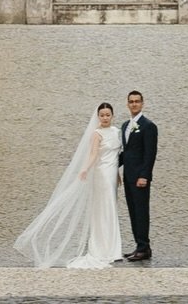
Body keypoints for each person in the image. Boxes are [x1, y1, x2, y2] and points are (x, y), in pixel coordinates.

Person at [13, 102, 125, 269]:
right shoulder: (96, 134)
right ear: (98, 117)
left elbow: (116, 156)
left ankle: (113, 249)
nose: (105, 118)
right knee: (103, 209)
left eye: (108, 115)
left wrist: (117, 175)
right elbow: (94, 154)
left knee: (111, 209)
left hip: (111, 175)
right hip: (101, 175)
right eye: (102, 115)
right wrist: (85, 169)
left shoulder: (117, 132)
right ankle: (102, 249)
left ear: (112, 115)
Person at [120, 89, 158, 262]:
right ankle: (140, 246)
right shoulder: (125, 126)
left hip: (140, 179)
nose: (134, 104)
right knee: (133, 212)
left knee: (142, 212)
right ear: (127, 104)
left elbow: (150, 154)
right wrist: (108, 164)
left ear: (142, 103)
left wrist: (145, 176)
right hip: (128, 176)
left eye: (137, 101)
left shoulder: (148, 126)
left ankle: (143, 247)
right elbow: (126, 153)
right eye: (131, 101)